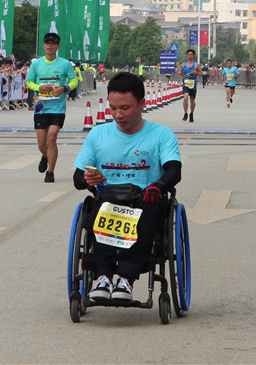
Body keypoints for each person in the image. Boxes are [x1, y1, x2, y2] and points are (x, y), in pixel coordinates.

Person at [73, 72, 182, 302]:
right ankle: (103, 276)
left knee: (151, 205)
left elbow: (174, 170)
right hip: (109, 197)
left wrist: (159, 186)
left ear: (142, 104)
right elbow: (77, 178)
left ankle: (126, 278)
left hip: (146, 199)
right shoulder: (98, 134)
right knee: (103, 204)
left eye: (125, 108)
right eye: (113, 108)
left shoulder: (162, 135)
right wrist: (87, 179)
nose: (118, 115)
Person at [25, 32, 78, 183]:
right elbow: (29, 82)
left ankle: (50, 172)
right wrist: (40, 87)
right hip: (41, 107)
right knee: (42, 143)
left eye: (53, 43)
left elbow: (74, 81)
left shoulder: (64, 64)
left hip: (58, 108)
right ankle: (45, 155)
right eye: (47, 43)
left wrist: (65, 88)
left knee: (52, 137)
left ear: (57, 47)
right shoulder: (36, 64)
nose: (49, 46)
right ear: (44, 46)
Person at [177, 49, 201, 123]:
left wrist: (196, 73)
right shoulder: (183, 65)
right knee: (186, 97)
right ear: (187, 55)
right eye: (188, 54)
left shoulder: (196, 65)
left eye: (191, 54)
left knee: (192, 101)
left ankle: (191, 113)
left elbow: (201, 73)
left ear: (193, 56)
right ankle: (185, 113)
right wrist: (180, 73)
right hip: (186, 84)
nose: (190, 56)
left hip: (193, 85)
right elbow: (179, 72)